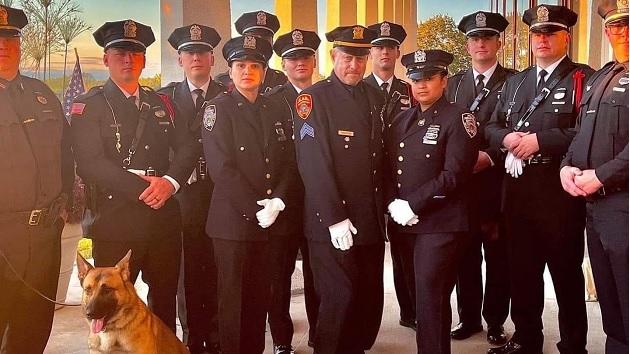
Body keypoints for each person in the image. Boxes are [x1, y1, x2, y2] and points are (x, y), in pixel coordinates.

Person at [70, 19, 197, 332]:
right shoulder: (90, 106)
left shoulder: (162, 103)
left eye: (135, 53)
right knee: (108, 310)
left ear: (143, 60)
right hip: (115, 222)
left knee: (164, 303)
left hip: (162, 219)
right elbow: (90, 162)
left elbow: (188, 147)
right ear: (106, 59)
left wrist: (170, 183)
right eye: (119, 52)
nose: (128, 59)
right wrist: (143, 188)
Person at [485, 5, 594, 354]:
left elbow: (586, 131)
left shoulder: (583, 79)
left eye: (550, 32)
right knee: (523, 273)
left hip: (560, 194)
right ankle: (526, 338)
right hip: (518, 194)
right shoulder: (516, 83)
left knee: (566, 275)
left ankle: (574, 344)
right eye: (536, 34)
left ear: (566, 36)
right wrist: (507, 139)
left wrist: (540, 141)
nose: (542, 39)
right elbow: (491, 124)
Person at [201, 34, 299, 354]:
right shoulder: (218, 109)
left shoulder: (274, 107)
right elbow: (222, 168)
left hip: (270, 220)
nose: (247, 71)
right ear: (230, 71)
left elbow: (287, 160)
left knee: (260, 298)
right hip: (234, 224)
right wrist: (256, 209)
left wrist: (279, 199)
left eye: (254, 65)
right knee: (234, 303)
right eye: (240, 65)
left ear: (264, 71)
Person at [293, 25, 386, 354]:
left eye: (361, 58)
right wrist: (334, 218)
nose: (354, 65)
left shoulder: (375, 96)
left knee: (367, 297)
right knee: (337, 298)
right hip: (331, 221)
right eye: (347, 57)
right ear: (334, 56)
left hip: (369, 219)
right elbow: (313, 163)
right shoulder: (313, 99)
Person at [385, 48, 478, 354]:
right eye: (415, 79)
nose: (421, 84)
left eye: (428, 78)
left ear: (444, 80)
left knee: (431, 299)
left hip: (440, 224)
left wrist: (413, 204)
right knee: (416, 300)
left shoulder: (459, 117)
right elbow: (387, 169)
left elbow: (455, 174)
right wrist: (393, 204)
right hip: (405, 224)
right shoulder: (402, 119)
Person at [0, 5, 73, 353]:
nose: (2, 45)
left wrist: (64, 209)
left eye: (9, 37)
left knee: (33, 332)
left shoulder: (42, 95)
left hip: (43, 237)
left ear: (19, 42)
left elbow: (66, 156)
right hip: (2, 236)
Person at [560, 1, 628, 353]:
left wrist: (601, 175)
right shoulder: (601, 76)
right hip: (596, 208)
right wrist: (566, 167)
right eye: (617, 26)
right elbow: (581, 132)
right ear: (606, 31)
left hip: (624, 205)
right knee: (610, 303)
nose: (624, 32)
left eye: (629, 24)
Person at [446, 11, 515, 345]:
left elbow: (520, 132)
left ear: (498, 43)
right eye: (475, 38)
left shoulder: (516, 81)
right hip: (460, 188)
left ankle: (495, 321)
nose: (480, 43)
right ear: (468, 44)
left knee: (498, 259)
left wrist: (491, 156)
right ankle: (469, 318)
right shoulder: (454, 82)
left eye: (487, 37)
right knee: (465, 258)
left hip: (498, 186)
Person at [159, 24, 224, 354]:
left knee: (216, 268)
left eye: (202, 52)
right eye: (189, 53)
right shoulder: (165, 98)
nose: (196, 58)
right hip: (182, 197)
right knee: (185, 271)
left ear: (212, 58)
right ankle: (191, 335)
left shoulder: (228, 95)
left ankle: (215, 334)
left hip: (219, 196)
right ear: (180, 59)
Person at [265, 28, 321, 354]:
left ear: (314, 60)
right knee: (279, 274)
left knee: (318, 271)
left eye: (305, 56)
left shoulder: (327, 95)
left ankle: (319, 330)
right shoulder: (271, 102)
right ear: (283, 64)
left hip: (317, 200)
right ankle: (282, 340)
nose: (299, 62)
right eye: (292, 58)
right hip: (283, 201)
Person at [364, 21, 417, 331]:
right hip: (366, 179)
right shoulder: (359, 88)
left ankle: (409, 310)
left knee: (403, 250)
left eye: (390, 47)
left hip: (400, 180)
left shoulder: (409, 90)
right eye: (378, 46)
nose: (384, 51)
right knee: (368, 250)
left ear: (398, 52)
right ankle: (366, 317)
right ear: (371, 52)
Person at [215, 10, 287, 92]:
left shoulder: (281, 80)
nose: (260, 43)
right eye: (253, 38)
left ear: (272, 42)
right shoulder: (223, 81)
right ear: (244, 41)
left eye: (265, 38)